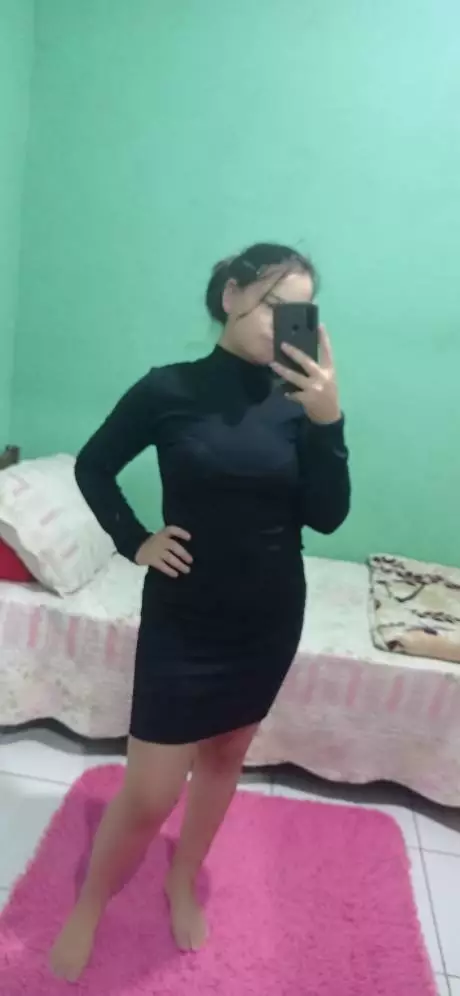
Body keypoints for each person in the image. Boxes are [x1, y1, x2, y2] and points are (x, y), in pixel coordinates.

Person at [50, 242, 351, 981]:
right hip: (185, 620)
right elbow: (93, 466)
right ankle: (90, 902)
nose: (287, 324)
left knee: (223, 758)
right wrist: (135, 541)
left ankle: (181, 878)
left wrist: (329, 421)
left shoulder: (301, 401)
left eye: (301, 312)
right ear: (231, 295)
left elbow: (327, 517)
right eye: (276, 306)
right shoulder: (169, 389)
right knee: (149, 792)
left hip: (268, 617)